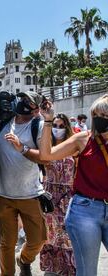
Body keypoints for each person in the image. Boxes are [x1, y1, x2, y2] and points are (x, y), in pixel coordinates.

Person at [39, 94, 108, 276]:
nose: (100, 120)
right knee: (87, 271)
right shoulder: (83, 139)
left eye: (105, 116)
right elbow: (46, 155)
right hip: (85, 210)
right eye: (96, 115)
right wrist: (48, 121)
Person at [0, 91, 47, 276]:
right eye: (22, 98)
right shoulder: (0, 124)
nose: (23, 102)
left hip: (30, 195)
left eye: (29, 102)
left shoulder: (38, 126)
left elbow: (45, 157)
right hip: (3, 196)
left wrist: (21, 147)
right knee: (6, 243)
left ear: (36, 109)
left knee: (38, 240)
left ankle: (24, 259)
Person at [39, 113, 76, 275]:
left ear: (67, 127)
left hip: (68, 195)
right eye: (55, 126)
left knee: (67, 236)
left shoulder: (74, 146)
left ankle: (69, 268)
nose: (58, 129)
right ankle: (52, 268)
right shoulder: (46, 146)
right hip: (48, 195)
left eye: (61, 126)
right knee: (50, 235)